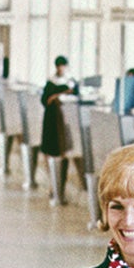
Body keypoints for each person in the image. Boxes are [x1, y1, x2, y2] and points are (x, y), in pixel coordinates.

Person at [39, 54, 76, 204]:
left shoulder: (70, 82)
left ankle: (58, 187)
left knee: (62, 153)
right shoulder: (51, 82)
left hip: (63, 121)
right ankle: (52, 185)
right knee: (49, 152)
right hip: (51, 120)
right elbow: (46, 100)